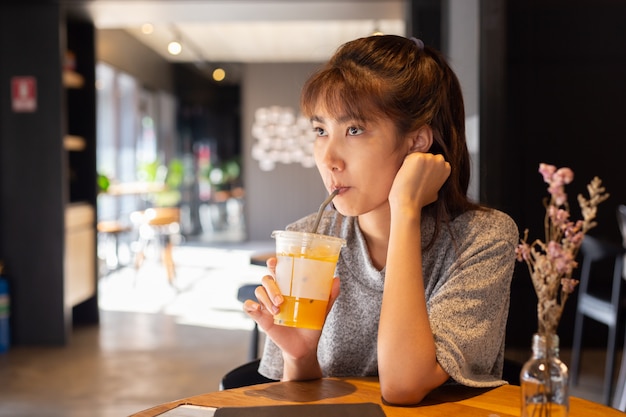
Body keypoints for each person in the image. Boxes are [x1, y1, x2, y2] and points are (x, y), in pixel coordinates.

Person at [243, 34, 518, 405]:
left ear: (417, 141)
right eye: (320, 130)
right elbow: (299, 403)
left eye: (354, 129)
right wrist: (300, 355)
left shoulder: (483, 238)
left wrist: (404, 211)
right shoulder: (306, 238)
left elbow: (404, 386)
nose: (329, 158)